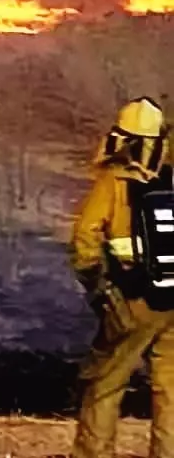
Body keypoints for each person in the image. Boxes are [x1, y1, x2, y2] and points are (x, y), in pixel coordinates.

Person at [71, 96, 174, 458]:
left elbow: (85, 238)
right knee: (170, 390)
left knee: (105, 382)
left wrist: (98, 288)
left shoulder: (114, 182)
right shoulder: (171, 180)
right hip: (172, 299)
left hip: (132, 300)